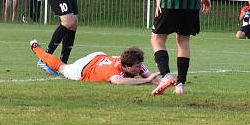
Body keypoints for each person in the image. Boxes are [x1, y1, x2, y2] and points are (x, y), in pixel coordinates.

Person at [31, 41, 161, 85]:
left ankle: (46, 65)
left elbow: (152, 78)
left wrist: (165, 82)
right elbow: (119, 81)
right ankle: (36, 48)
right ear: (127, 67)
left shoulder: (135, 64)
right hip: (81, 70)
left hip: (98, 56)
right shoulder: (114, 72)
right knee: (62, 67)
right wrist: (146, 80)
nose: (140, 68)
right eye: (137, 67)